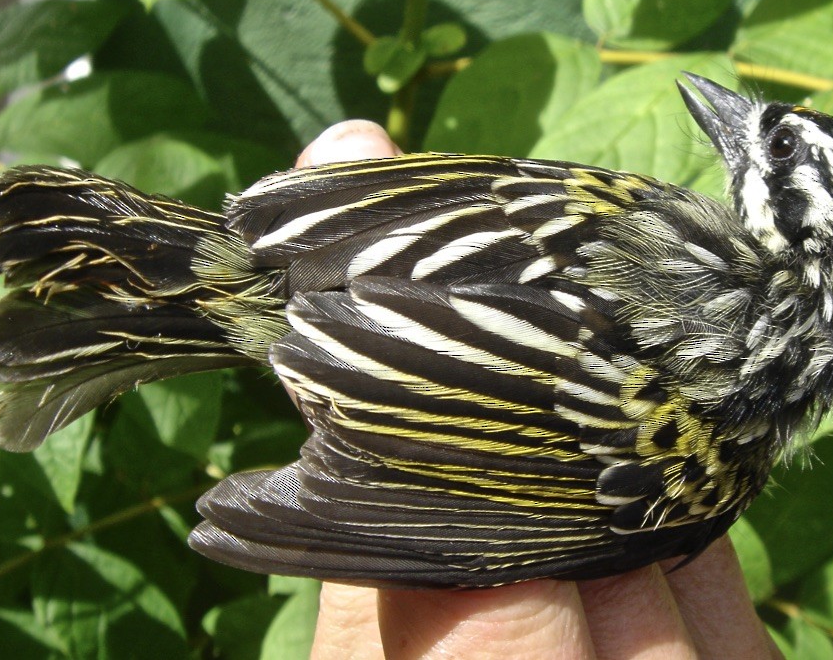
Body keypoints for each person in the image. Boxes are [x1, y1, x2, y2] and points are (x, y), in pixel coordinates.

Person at [297, 121, 782, 659]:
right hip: (354, 326)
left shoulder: (641, 204)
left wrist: (325, 233)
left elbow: (498, 195)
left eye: (780, 150)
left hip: (342, 257)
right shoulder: (729, 460)